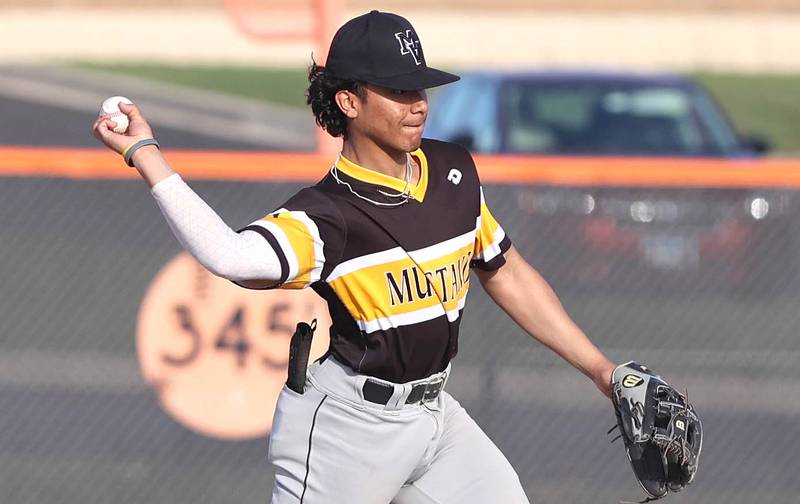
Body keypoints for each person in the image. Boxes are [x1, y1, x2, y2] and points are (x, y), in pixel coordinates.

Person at [93, 10, 616, 504]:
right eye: (396, 89)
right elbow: (230, 256)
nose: (418, 103)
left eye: (418, 86)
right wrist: (145, 154)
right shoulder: (329, 216)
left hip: (436, 417)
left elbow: (507, 273)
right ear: (349, 102)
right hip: (347, 429)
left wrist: (601, 371)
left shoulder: (454, 171)